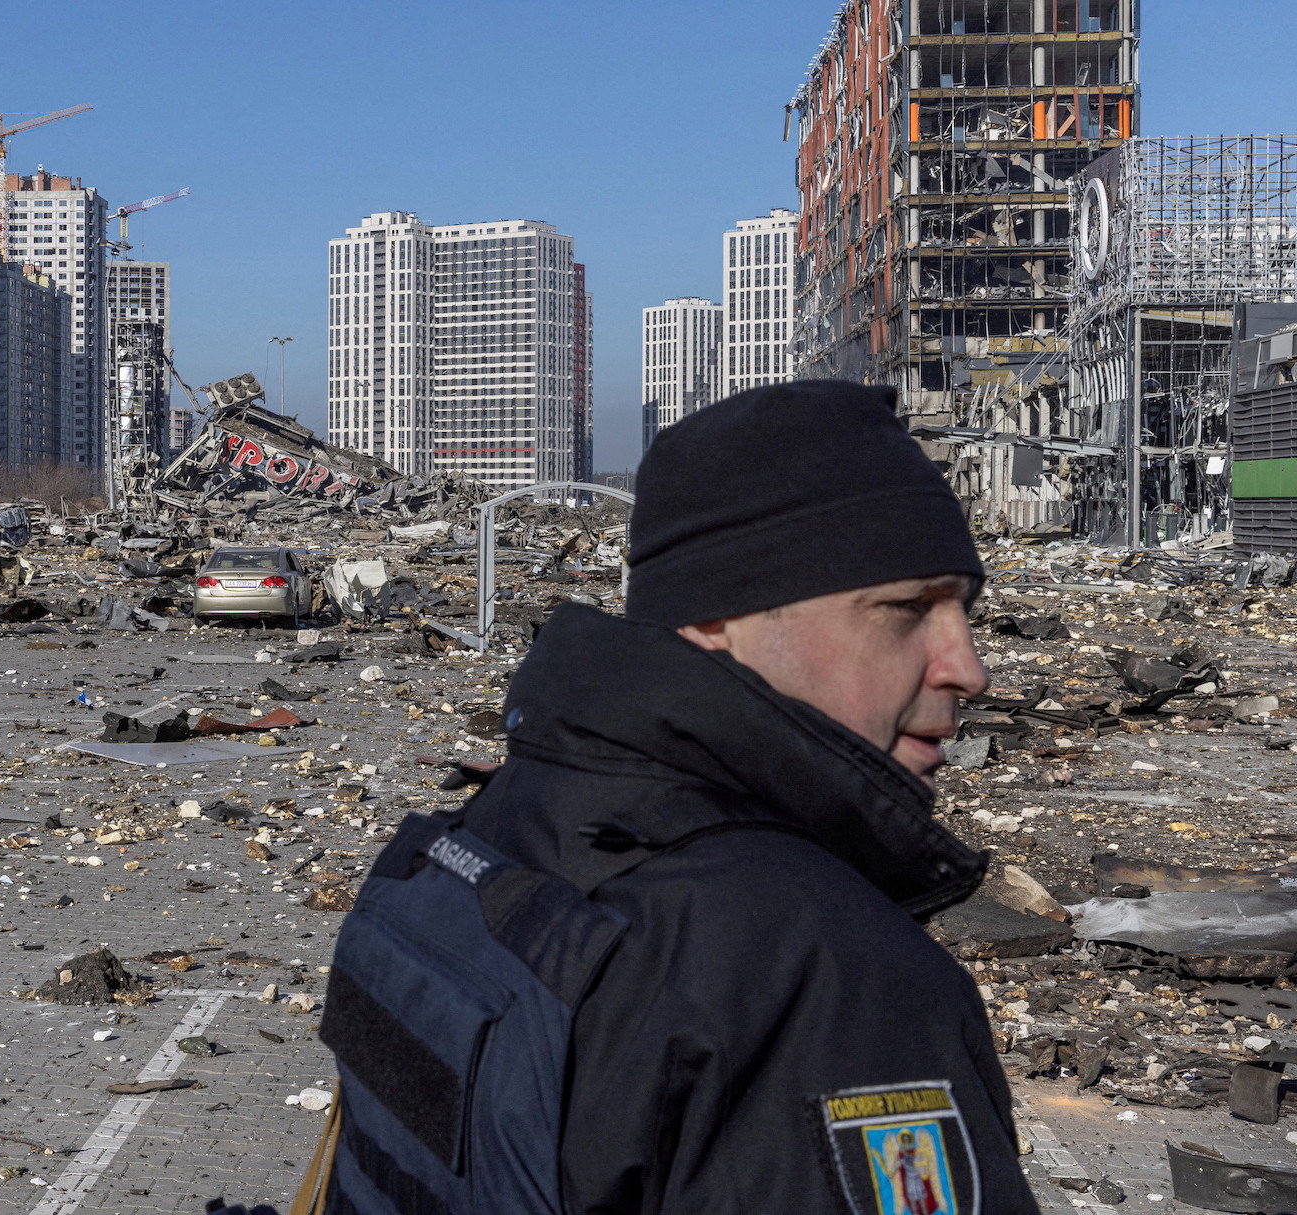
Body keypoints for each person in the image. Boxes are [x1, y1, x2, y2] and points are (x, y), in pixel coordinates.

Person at [313, 382, 1038, 1214]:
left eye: (964, 610)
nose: (970, 667)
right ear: (717, 616)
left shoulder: (491, 830)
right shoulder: (823, 984)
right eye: (907, 608)